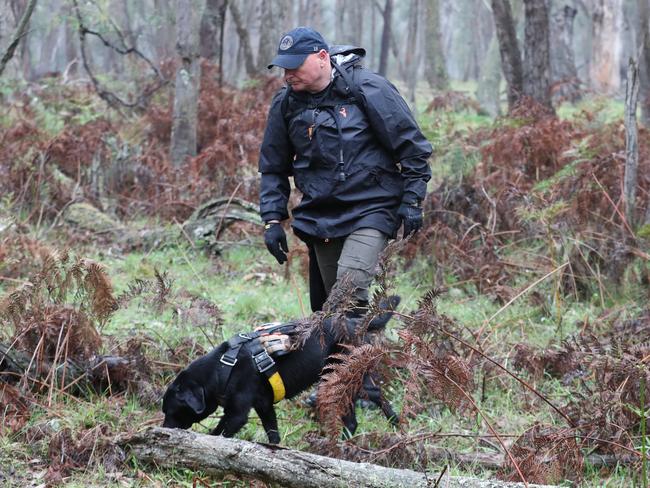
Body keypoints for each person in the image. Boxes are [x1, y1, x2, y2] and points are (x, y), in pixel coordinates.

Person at [259, 26, 432, 314]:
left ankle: (366, 355)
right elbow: (273, 166)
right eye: (283, 67)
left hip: (372, 207)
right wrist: (272, 220)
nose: (288, 74)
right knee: (336, 314)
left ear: (322, 57)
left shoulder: (368, 89)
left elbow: (412, 148)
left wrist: (412, 201)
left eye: (295, 66)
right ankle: (369, 357)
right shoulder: (286, 102)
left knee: (347, 293)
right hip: (322, 213)